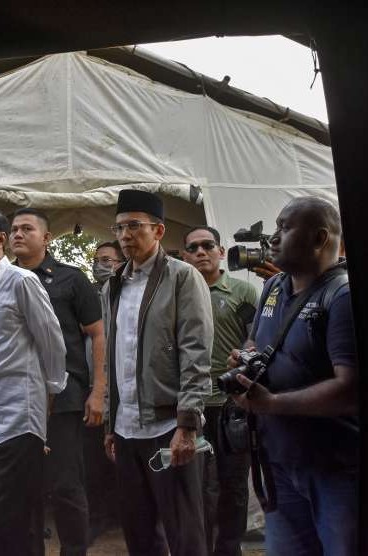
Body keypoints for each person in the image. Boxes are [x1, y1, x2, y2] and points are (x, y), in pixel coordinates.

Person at [228, 196, 358, 556]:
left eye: (285, 228)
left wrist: (271, 404)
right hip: (280, 462)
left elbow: (349, 390)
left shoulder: (342, 295)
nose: (273, 237)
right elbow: (256, 339)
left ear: (319, 239)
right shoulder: (273, 287)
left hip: (334, 468)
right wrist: (246, 357)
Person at [102, 189, 215, 556]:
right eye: (119, 228)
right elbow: (113, 359)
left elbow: (196, 353)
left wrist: (188, 424)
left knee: (184, 534)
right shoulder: (113, 285)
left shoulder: (182, 277)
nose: (124, 236)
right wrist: (110, 423)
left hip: (168, 426)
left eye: (134, 226)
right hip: (127, 426)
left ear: (159, 231)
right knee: (139, 534)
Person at [0, 205, 68, 556]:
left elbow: (52, 342)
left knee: (7, 523)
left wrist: (49, 396)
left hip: (19, 422)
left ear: (0, 239)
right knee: (15, 522)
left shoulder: (22, 281)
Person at [9, 208, 105, 556]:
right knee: (25, 486)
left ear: (47, 238)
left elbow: (97, 334)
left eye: (27, 229)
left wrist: (98, 391)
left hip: (63, 396)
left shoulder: (72, 279)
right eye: (13, 229)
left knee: (66, 484)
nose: (17, 234)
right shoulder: (1, 279)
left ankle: (75, 550)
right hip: (16, 399)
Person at [182, 226, 258, 556]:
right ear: (184, 256)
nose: (200, 252)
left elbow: (259, 342)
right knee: (195, 486)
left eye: (207, 245)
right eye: (193, 248)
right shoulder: (178, 294)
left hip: (232, 405)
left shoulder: (242, 293)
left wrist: (243, 360)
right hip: (191, 406)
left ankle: (228, 549)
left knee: (233, 483)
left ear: (221, 250)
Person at [83, 240, 124, 543]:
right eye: (98, 260)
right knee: (93, 461)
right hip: (95, 389)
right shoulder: (92, 297)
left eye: (108, 260)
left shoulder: (131, 295)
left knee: (124, 457)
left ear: (121, 263)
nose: (101, 265)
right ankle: (98, 516)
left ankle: (124, 516)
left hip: (126, 392)